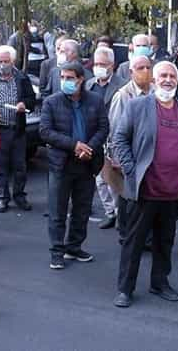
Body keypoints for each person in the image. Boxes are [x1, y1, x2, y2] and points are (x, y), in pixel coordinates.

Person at [111, 61, 178, 308]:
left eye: (172, 76)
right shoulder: (137, 106)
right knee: (134, 241)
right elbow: (119, 138)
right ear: (153, 80)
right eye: (163, 75)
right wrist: (131, 170)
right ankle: (125, 288)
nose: (168, 79)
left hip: (174, 191)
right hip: (145, 190)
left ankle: (160, 283)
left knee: (164, 241)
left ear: (177, 81)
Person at [40, 61, 109, 270]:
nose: (65, 82)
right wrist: (74, 146)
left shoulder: (95, 101)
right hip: (61, 164)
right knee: (58, 210)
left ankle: (74, 247)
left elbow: (103, 127)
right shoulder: (51, 102)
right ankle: (57, 252)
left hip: (87, 164)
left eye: (70, 78)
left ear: (81, 79)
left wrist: (89, 148)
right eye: (62, 78)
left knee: (82, 209)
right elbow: (45, 132)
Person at [0, 45, 35, 213]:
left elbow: (32, 99)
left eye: (6, 61)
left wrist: (24, 104)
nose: (3, 65)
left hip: (17, 129)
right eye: (0, 62)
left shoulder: (22, 78)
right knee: (1, 166)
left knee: (20, 165)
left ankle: (19, 196)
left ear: (13, 61)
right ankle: (2, 197)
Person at [108, 55, 154, 241]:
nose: (145, 71)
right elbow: (116, 130)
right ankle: (126, 235)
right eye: (140, 68)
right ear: (131, 72)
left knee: (148, 198)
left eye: (147, 67)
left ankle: (146, 237)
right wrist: (118, 158)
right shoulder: (123, 95)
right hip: (129, 155)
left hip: (150, 155)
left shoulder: (156, 92)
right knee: (128, 198)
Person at [86, 47, 127, 229]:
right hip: (93, 138)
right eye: (96, 64)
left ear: (112, 65)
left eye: (102, 64)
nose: (98, 67)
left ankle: (120, 214)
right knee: (99, 180)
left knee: (114, 181)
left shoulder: (122, 85)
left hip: (113, 138)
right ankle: (109, 212)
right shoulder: (89, 85)